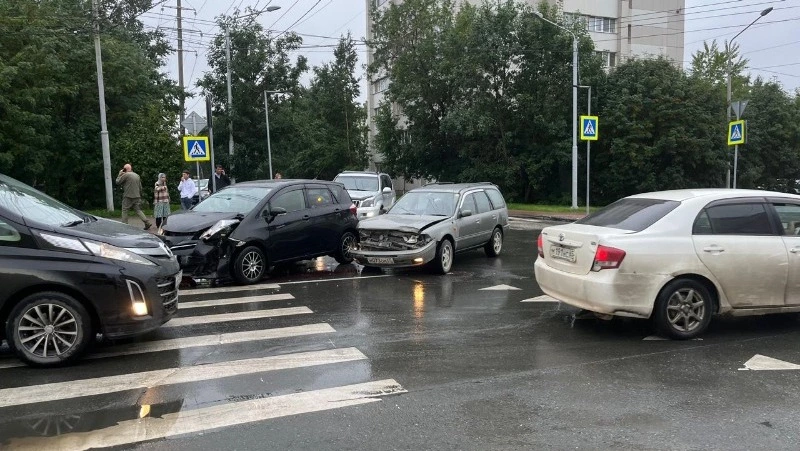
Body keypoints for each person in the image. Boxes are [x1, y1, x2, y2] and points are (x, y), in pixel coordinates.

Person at [116, 164, 152, 230]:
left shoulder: (125, 175)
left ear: (124, 169)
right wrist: (140, 194)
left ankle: (125, 225)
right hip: (137, 196)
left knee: (125, 210)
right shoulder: (137, 175)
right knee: (138, 210)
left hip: (128, 196)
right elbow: (140, 187)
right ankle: (147, 223)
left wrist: (119, 174)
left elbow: (118, 182)